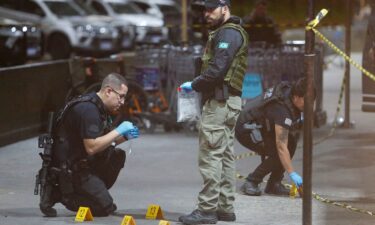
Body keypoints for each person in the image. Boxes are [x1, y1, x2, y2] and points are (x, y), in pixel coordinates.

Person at [178, 0, 248, 224]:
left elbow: (217, 70)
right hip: (228, 102)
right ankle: (225, 208)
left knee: (210, 156)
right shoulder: (227, 32)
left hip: (220, 103)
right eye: (204, 10)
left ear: (225, 8)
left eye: (211, 9)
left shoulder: (228, 34)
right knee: (225, 156)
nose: (207, 13)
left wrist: (195, 83)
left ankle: (207, 210)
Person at [39, 73, 139, 217]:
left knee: (117, 156)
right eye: (121, 96)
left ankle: (91, 192)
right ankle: (59, 194)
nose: (122, 102)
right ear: (109, 91)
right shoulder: (89, 110)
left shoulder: (97, 106)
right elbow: (92, 147)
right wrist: (118, 130)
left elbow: (102, 142)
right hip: (70, 169)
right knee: (105, 208)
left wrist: (123, 137)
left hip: (82, 162)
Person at [235, 78, 309, 196]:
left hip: (260, 126)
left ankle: (274, 184)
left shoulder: (289, 92)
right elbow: (281, 146)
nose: (310, 105)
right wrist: (292, 173)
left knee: (291, 143)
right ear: (296, 97)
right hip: (246, 129)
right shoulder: (282, 109)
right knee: (279, 151)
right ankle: (251, 181)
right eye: (307, 101)